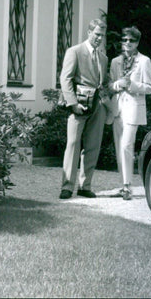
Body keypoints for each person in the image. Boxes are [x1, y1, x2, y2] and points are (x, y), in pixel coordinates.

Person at [59, 18, 110, 200]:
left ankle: (84, 185)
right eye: (96, 34)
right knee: (72, 144)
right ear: (89, 32)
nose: (99, 38)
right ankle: (67, 187)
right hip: (78, 106)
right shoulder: (75, 52)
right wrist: (73, 104)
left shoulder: (103, 58)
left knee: (93, 146)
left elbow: (104, 83)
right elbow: (65, 79)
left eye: (102, 36)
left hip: (98, 107)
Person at [109, 26, 151, 200]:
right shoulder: (115, 62)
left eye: (131, 40)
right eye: (125, 39)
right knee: (119, 147)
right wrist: (118, 84)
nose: (127, 43)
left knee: (127, 145)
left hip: (134, 108)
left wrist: (132, 85)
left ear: (137, 42)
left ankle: (127, 186)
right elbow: (110, 86)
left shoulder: (144, 61)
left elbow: (149, 88)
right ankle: (123, 185)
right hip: (117, 108)